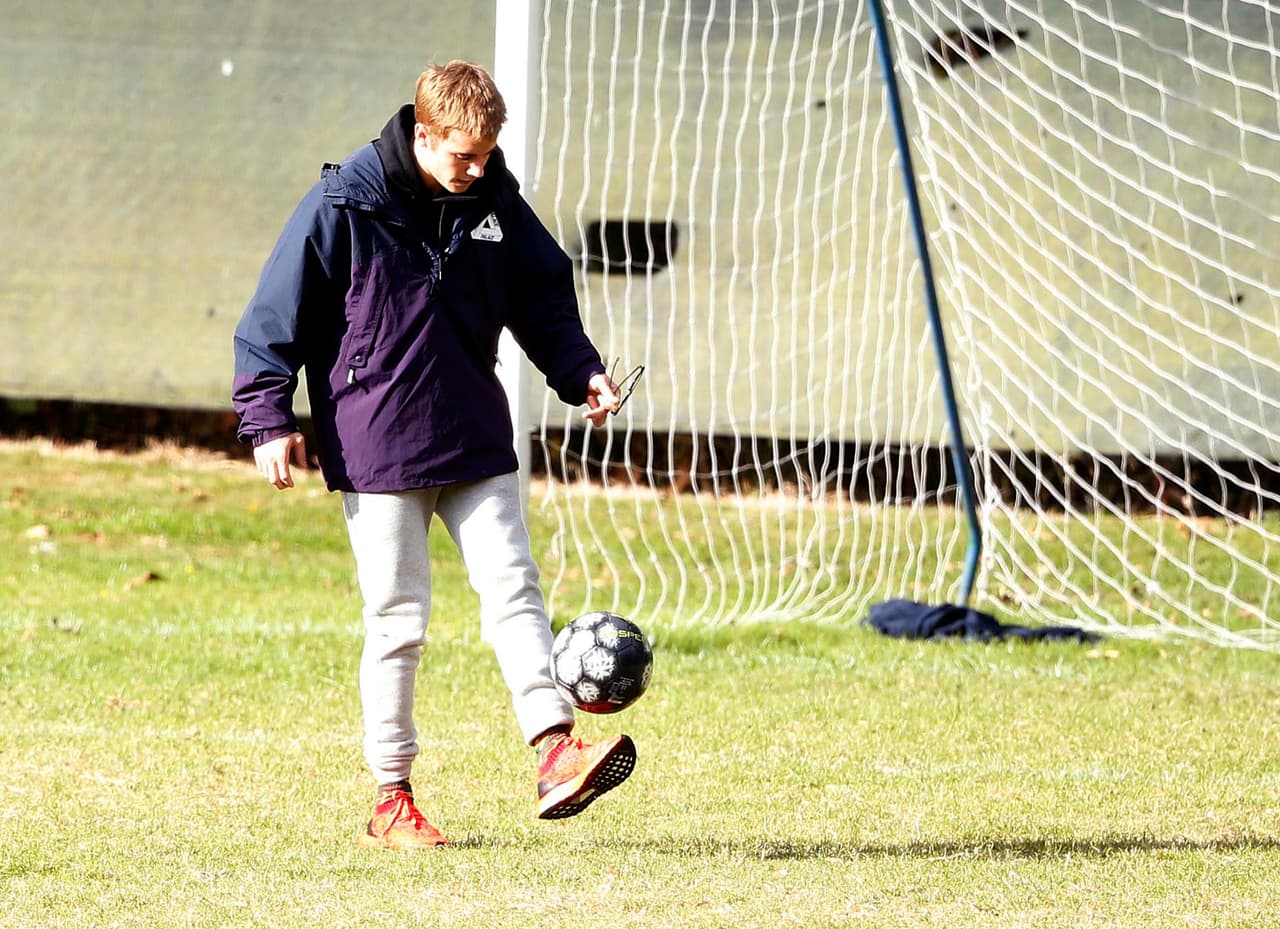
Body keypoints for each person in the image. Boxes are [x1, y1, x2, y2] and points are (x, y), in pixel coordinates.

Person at [232, 60, 634, 849]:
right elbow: (273, 315)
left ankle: (556, 750)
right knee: (398, 622)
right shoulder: (340, 205)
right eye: (463, 155)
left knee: (514, 588)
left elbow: (543, 296)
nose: (478, 168)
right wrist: (267, 415)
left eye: (487, 154)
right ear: (423, 135)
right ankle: (391, 797)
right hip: (376, 443)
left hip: (473, 434)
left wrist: (580, 370)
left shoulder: (494, 201)